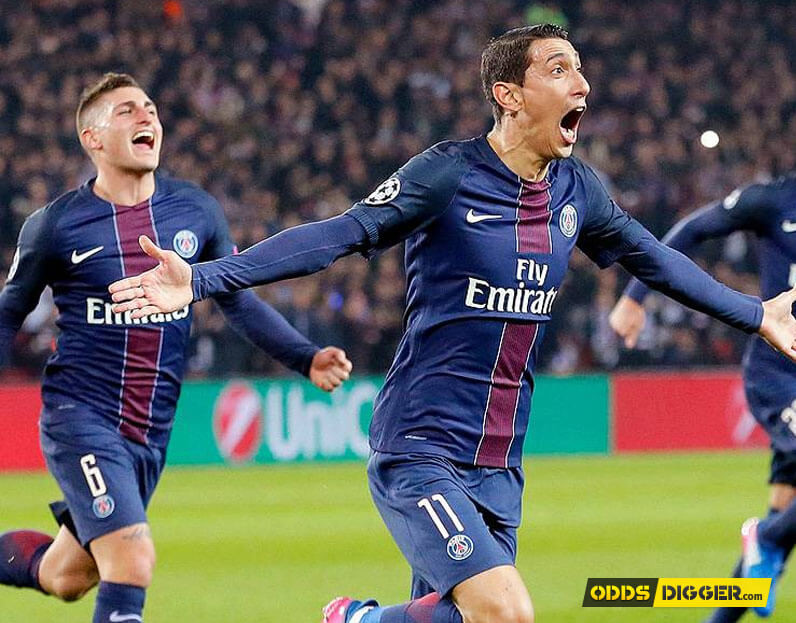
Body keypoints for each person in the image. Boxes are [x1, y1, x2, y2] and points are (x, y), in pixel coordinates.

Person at [108, 26, 796, 623]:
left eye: (581, 68)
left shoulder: (576, 189)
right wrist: (201, 278)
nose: (582, 82)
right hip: (421, 447)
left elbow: (657, 262)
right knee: (506, 608)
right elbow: (340, 234)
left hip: (502, 463)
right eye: (559, 69)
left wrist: (756, 312)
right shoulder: (447, 173)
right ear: (509, 94)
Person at [0, 73, 352, 623]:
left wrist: (303, 356)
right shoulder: (54, 226)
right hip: (81, 416)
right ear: (92, 139)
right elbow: (7, 314)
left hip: (149, 432)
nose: (147, 117)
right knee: (133, 558)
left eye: (151, 109)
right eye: (126, 112)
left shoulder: (196, 212)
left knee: (69, 576)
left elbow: (235, 299)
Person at [610, 175, 796, 622]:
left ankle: (758, 555)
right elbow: (693, 228)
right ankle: (767, 537)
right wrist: (635, 297)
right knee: (774, 538)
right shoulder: (773, 200)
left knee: (782, 523)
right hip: (780, 375)